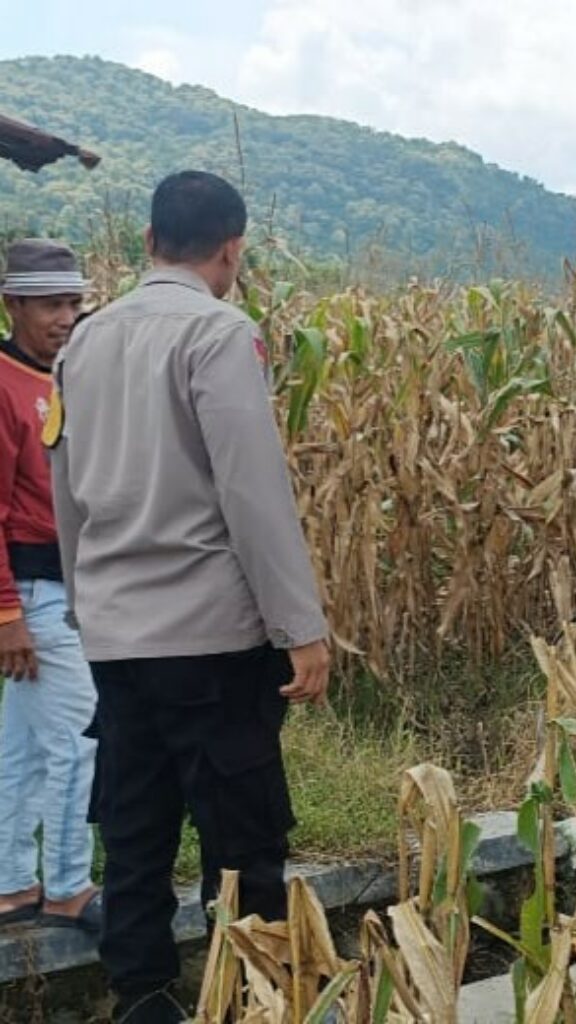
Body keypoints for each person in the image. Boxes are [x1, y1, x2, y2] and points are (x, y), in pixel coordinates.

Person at [49, 171, 331, 1024]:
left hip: (118, 642)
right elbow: (252, 495)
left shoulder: (81, 344)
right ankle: (251, 994)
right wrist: (301, 628)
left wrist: (84, 605)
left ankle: (142, 997)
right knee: (242, 839)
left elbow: (68, 498)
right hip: (211, 639)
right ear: (232, 249)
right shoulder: (218, 334)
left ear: (147, 242)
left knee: (133, 833)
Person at [0, 240, 100, 933]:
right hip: (32, 591)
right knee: (79, 737)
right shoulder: (4, 384)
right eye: (49, 305)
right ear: (14, 306)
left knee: (25, 746)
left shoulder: (60, 374)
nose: (66, 317)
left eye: (73, 302)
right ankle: (67, 885)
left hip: (63, 588)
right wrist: (6, 614)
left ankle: (10, 884)